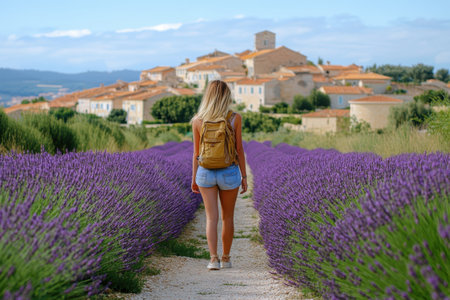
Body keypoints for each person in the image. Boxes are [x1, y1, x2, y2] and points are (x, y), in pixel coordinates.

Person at [191, 80, 248, 270]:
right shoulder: (234, 118)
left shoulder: (198, 120)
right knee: (227, 217)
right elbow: (239, 149)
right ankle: (226, 258)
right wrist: (244, 176)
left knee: (211, 218)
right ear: (226, 96)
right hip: (229, 172)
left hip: (205, 173)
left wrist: (194, 179)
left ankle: (213, 259)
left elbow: (196, 153)